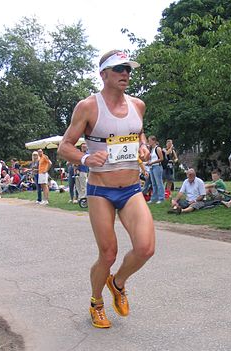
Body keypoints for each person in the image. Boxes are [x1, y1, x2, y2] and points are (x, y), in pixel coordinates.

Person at [58, 50, 155, 329]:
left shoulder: (138, 105)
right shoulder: (88, 106)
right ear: (104, 74)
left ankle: (118, 282)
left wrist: (144, 146)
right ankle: (96, 302)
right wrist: (86, 158)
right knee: (108, 254)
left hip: (131, 189)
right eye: (119, 69)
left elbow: (137, 132)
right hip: (101, 190)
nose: (125, 73)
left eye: (128, 69)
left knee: (146, 248)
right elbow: (65, 146)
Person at [147, 136, 165, 204]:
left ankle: (161, 198)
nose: (149, 142)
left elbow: (161, 158)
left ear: (154, 141)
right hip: (152, 167)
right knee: (153, 183)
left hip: (157, 166)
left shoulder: (158, 148)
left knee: (159, 183)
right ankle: (154, 198)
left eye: (150, 141)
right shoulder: (151, 149)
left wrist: (152, 162)